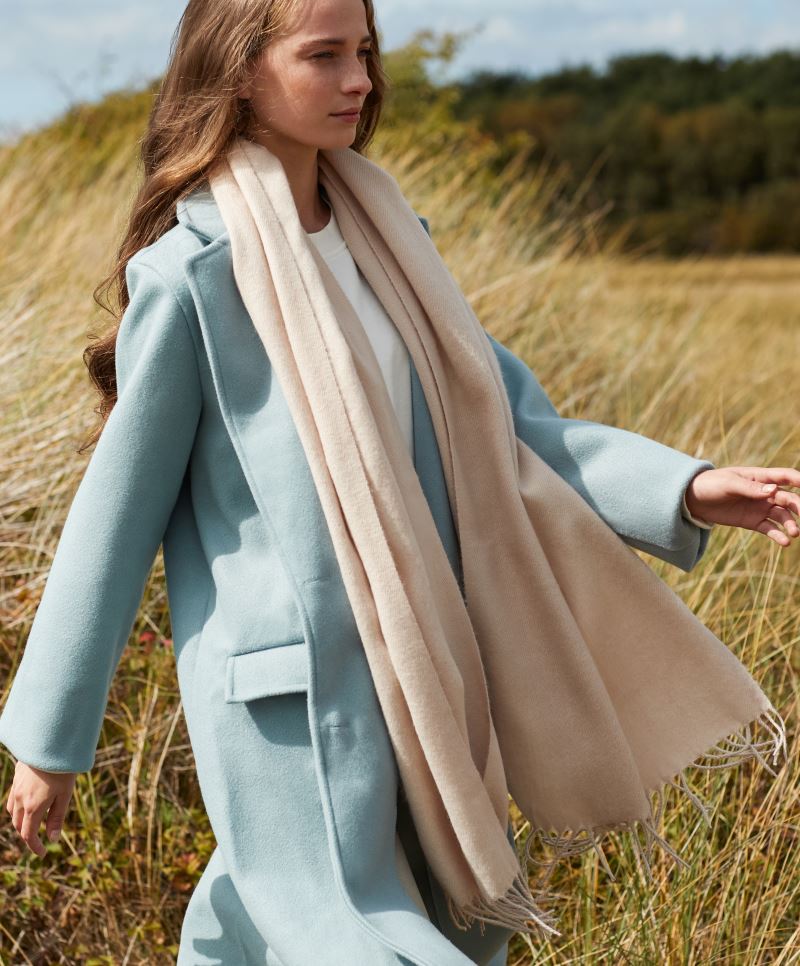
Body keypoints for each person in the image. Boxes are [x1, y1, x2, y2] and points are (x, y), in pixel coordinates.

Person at [2, 0, 798, 963]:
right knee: (344, 930)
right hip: (295, 699)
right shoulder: (194, 279)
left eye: (365, 52)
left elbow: (512, 434)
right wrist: (51, 739)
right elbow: (113, 521)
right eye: (325, 56)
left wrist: (686, 489)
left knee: (334, 927)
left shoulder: (393, 247)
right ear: (241, 70)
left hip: (434, 665)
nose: (360, 81)